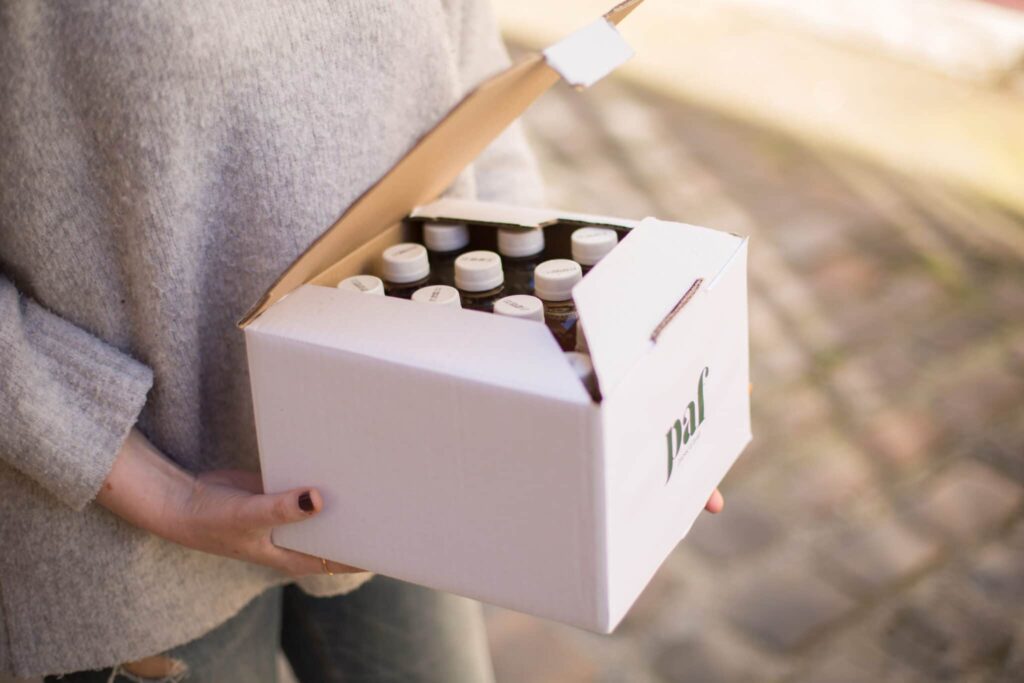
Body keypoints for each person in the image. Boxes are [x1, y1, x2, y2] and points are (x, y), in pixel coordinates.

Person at [0, 2, 724, 681]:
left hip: (409, 459)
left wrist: (589, 389)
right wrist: (160, 490)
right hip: (129, 532)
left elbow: (477, 90)